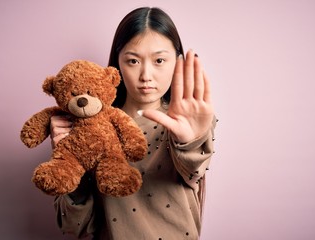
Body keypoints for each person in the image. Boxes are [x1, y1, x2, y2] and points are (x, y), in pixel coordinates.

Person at [51, 6, 216, 240]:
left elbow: (193, 172)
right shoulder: (90, 126)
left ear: (177, 62)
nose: (146, 75)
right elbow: (76, 227)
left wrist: (190, 142)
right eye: (133, 61)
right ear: (117, 63)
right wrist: (70, 164)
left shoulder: (191, 120)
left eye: (159, 60)